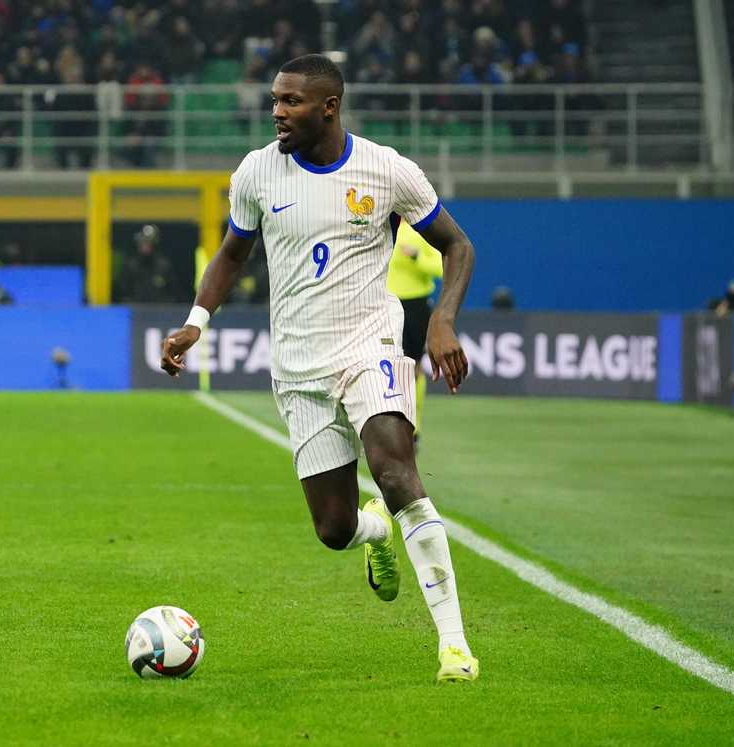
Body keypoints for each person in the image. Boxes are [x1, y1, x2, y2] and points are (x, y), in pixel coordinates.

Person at [160, 54, 479, 683]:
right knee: (334, 529)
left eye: (291, 102)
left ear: (328, 106)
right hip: (299, 366)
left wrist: (441, 319)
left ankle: (454, 646)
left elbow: (457, 245)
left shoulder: (386, 170)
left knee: (396, 471)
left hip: (371, 347)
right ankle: (374, 535)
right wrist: (197, 319)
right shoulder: (256, 173)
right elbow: (231, 253)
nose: (277, 111)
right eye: (275, 101)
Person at [387, 223, 444, 442]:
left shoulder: (420, 230)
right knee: (383, 364)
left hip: (414, 306)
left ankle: (413, 423)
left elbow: (439, 266)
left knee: (412, 367)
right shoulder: (377, 227)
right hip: (383, 303)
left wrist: (417, 256)